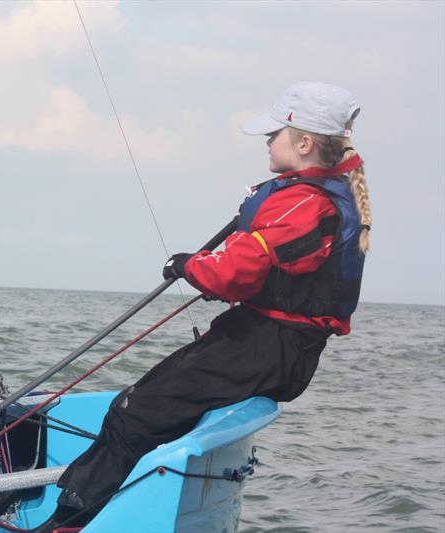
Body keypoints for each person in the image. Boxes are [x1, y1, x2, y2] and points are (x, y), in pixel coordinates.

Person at [35, 81, 371, 531]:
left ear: (305, 143)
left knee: (134, 414)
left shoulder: (306, 205)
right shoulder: (307, 196)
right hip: (261, 339)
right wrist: (198, 266)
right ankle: (80, 514)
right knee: (130, 407)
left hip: (268, 348)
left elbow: (232, 272)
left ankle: (69, 521)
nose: (268, 142)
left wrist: (188, 265)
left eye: (275, 135)